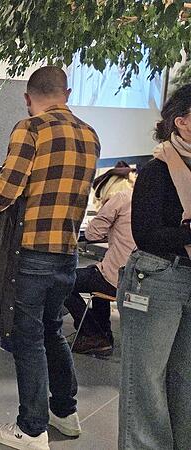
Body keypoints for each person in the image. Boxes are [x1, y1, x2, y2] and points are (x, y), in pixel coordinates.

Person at [0, 66, 100, 450]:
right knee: (52, 330)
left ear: (27, 97)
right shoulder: (90, 135)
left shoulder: (30, 128)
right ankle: (65, 413)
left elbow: (8, 188)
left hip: (33, 251)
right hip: (68, 253)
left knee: (27, 338)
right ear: (67, 93)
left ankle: (31, 429)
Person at [117, 84, 191, 449]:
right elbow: (146, 235)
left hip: (186, 277)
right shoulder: (157, 170)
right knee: (146, 380)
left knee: (185, 380)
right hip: (156, 279)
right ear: (182, 122)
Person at [64, 175, 136, 356]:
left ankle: (92, 334)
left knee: (61, 281)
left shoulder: (122, 198)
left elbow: (91, 234)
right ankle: (104, 335)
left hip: (116, 278)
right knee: (96, 271)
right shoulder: (156, 204)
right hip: (136, 281)